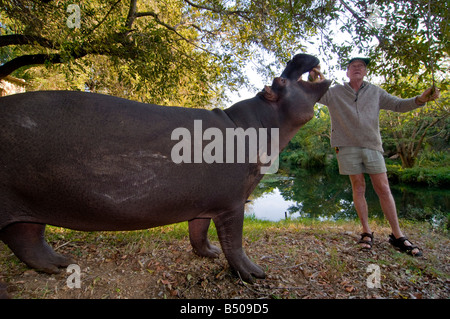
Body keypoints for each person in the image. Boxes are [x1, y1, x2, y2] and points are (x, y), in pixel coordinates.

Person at [309, 57, 440, 256]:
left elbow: (399, 105)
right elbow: (314, 96)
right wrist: (313, 81)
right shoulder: (334, 92)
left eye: (361, 66)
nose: (357, 68)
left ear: (366, 72)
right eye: (353, 66)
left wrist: (421, 99)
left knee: (384, 188)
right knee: (358, 187)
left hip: (372, 146)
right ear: (347, 72)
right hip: (346, 147)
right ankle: (366, 231)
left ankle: (397, 235)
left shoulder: (375, 92)